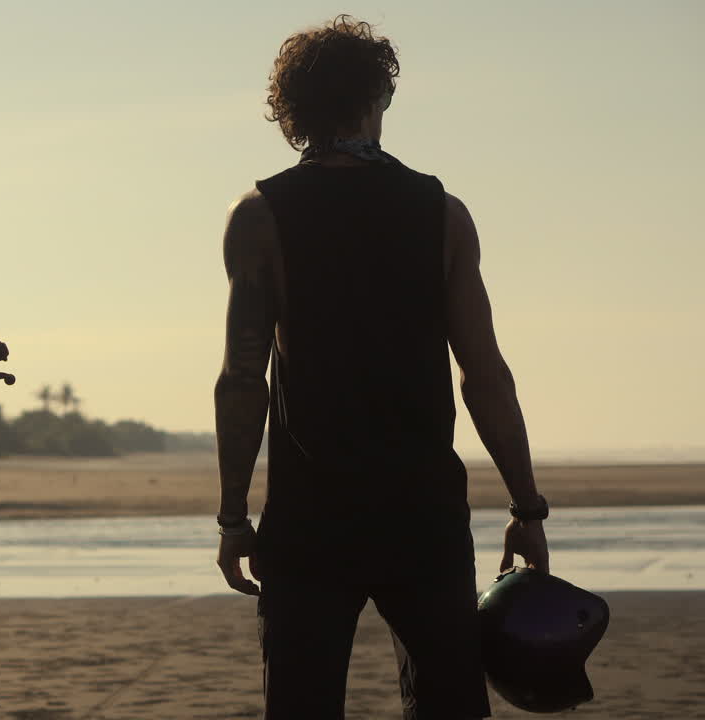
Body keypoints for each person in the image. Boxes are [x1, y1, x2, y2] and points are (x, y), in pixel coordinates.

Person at [212, 14, 551, 720]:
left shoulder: (261, 216)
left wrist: (234, 515)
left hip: (310, 516)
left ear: (292, 112)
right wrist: (526, 507)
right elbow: (485, 373)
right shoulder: (441, 213)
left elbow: (243, 379)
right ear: (377, 98)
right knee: (449, 705)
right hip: (422, 512)